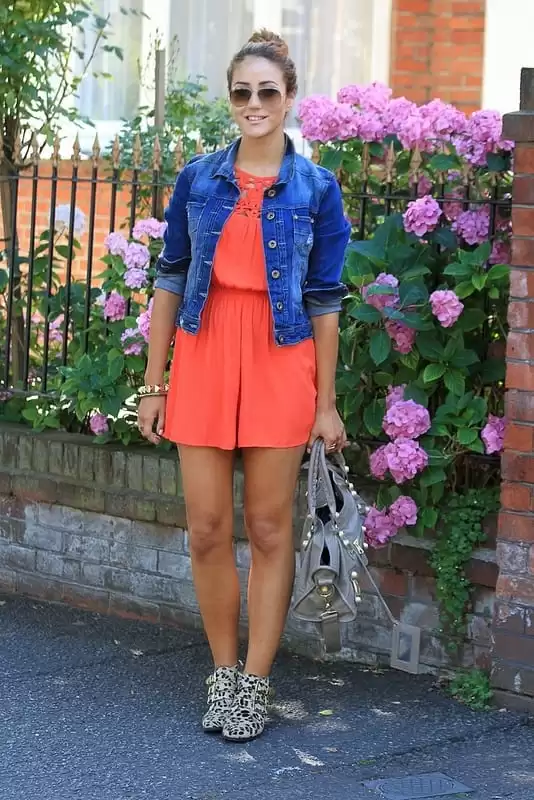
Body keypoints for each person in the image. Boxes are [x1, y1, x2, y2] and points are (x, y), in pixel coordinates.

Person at [137, 29, 350, 742]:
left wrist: (326, 403)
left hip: (278, 355)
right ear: (231, 100)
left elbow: (325, 298)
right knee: (205, 529)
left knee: (267, 527)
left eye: (268, 91)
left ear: (289, 99)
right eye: (242, 92)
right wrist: (151, 384)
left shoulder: (316, 188)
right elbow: (170, 276)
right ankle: (221, 675)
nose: (254, 103)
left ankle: (255, 684)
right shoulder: (200, 177)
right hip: (203, 352)